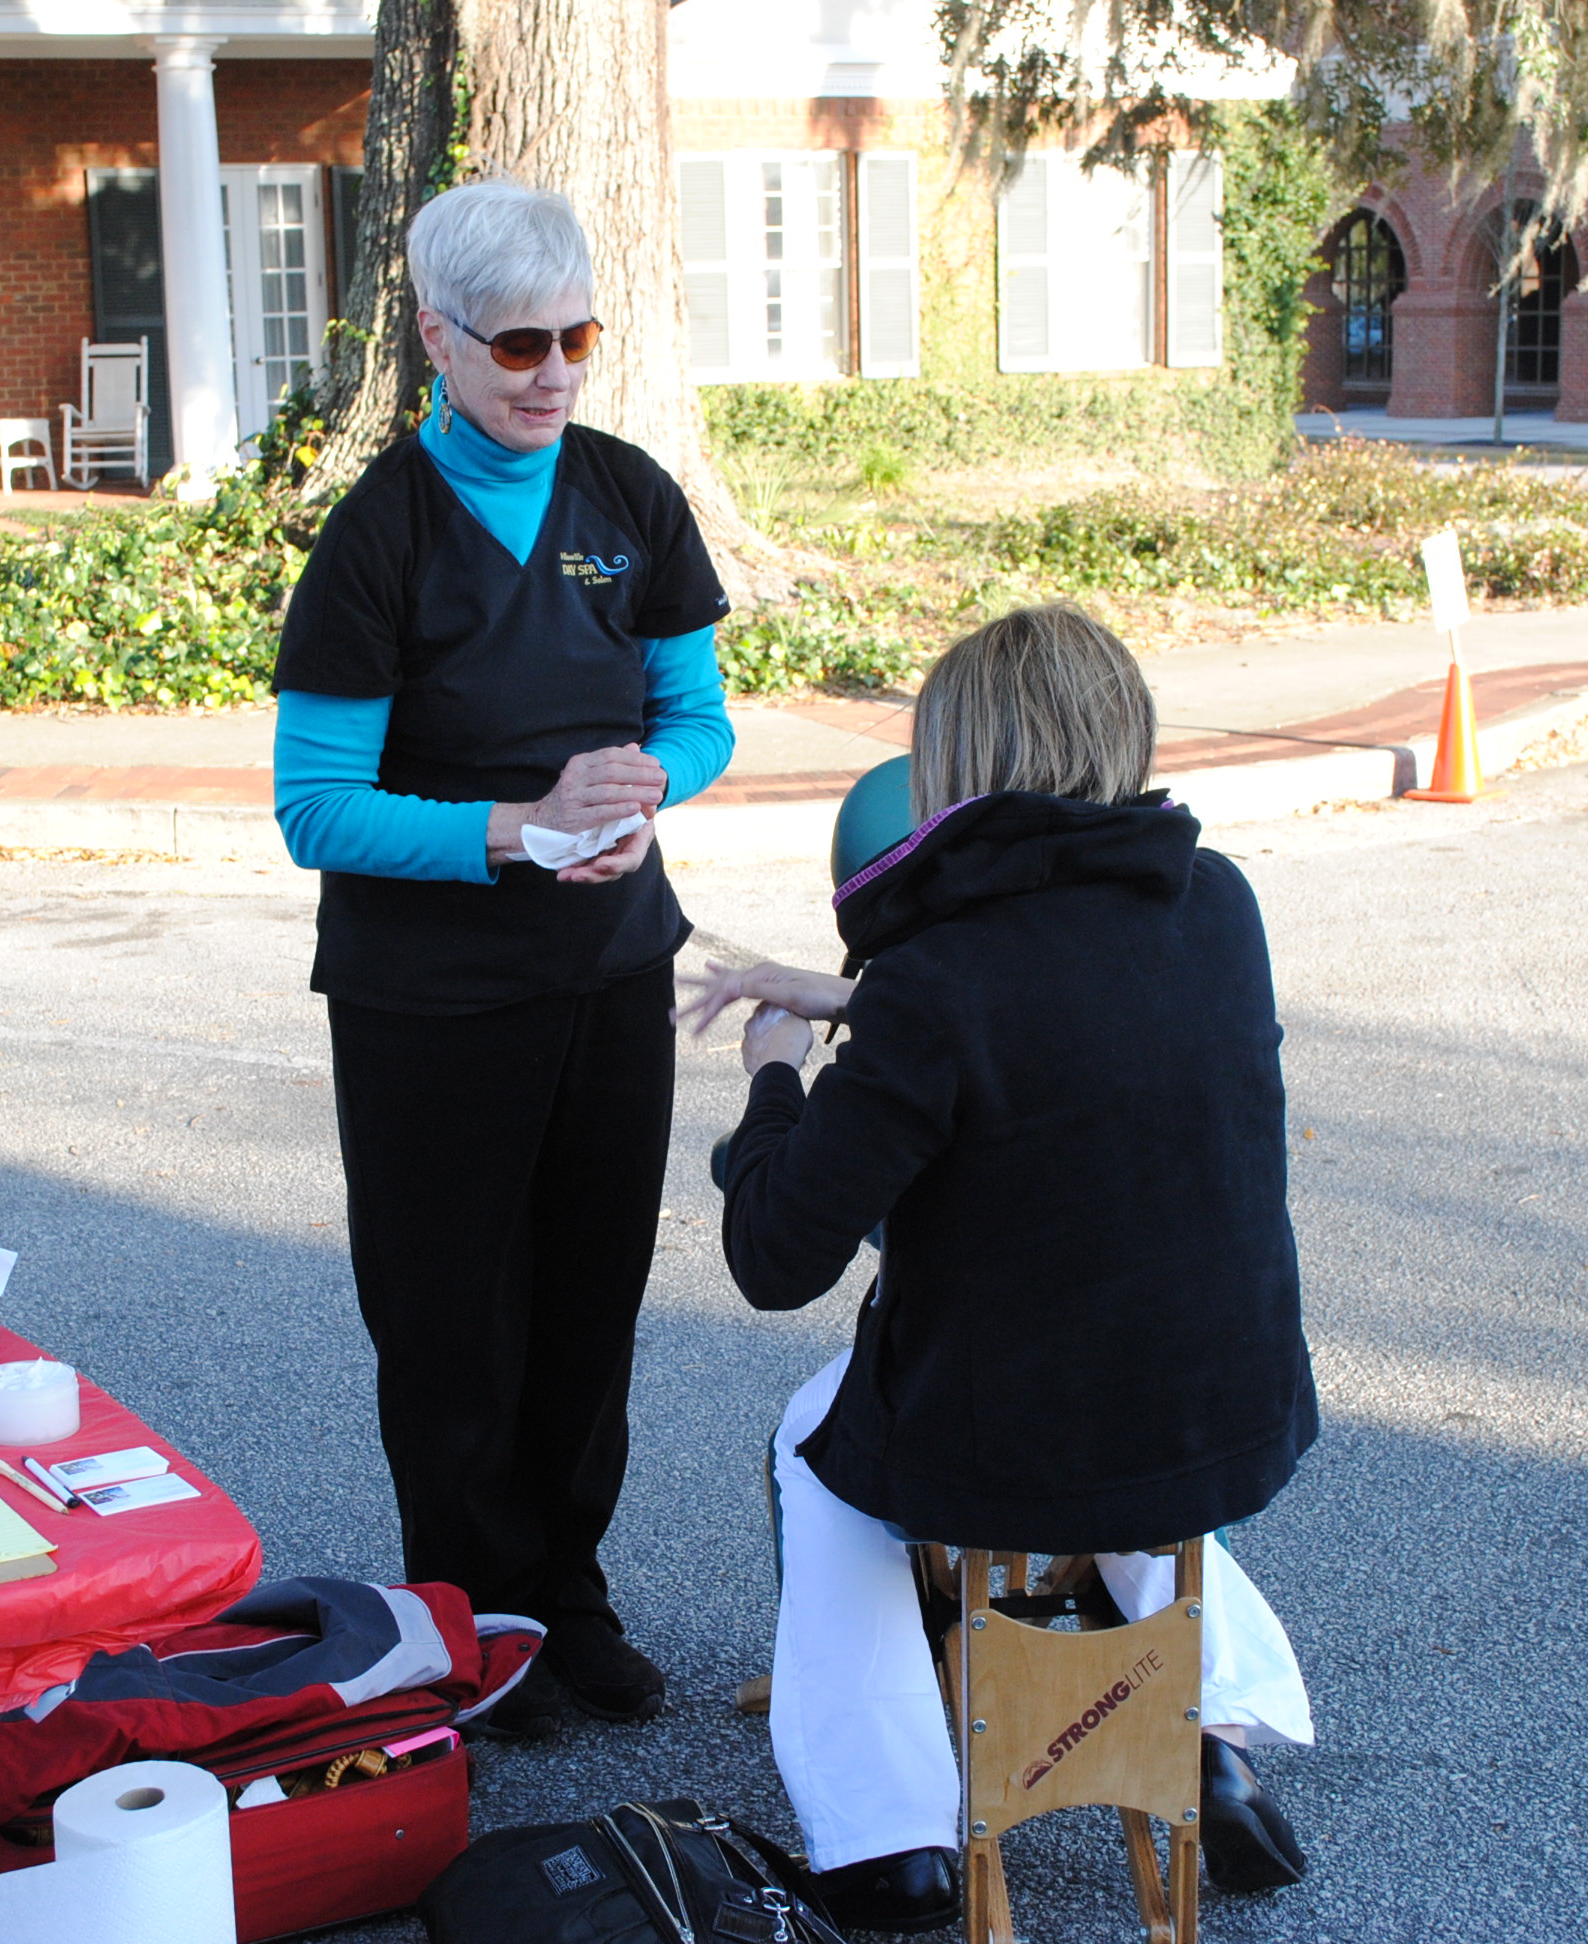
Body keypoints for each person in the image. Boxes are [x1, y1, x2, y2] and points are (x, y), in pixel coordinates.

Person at [679, 606, 1319, 1928]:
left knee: (821, 1454)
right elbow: (1078, 1010)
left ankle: (889, 1834)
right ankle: (1215, 1737)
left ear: (955, 764)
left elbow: (776, 1255)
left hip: (1020, 1442)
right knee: (1118, 1423)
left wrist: (776, 1081)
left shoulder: (940, 973)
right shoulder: (1218, 904)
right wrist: (855, 998)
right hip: (1225, 1413)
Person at [270, 179, 735, 1739]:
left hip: (609, 972)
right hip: (431, 1004)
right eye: (518, 343)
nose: (551, 372)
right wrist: (516, 833)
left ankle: (572, 1599)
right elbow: (315, 808)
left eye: (579, 338)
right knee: (453, 1322)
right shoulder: (377, 539)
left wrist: (652, 787)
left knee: (591, 1306)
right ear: (435, 341)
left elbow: (700, 713)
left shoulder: (628, 497)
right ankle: (467, 1622)